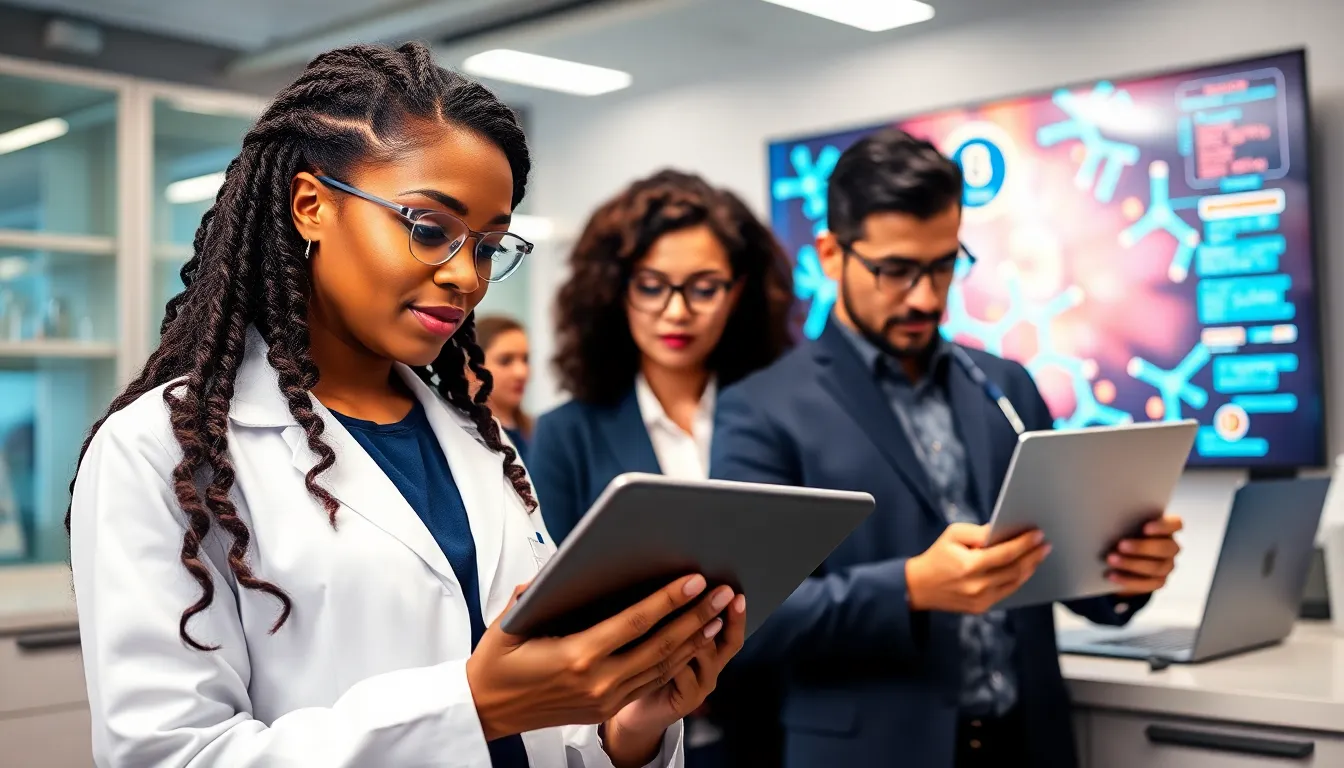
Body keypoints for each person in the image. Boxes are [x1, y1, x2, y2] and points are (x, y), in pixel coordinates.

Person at [66, 42, 747, 768]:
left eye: (488, 246)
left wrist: (627, 727)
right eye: (429, 228)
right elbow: (167, 755)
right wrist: (474, 710)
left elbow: (548, 731)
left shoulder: (481, 445)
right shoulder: (164, 449)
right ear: (310, 205)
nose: (466, 277)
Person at [709, 128, 1183, 768]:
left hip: (1027, 743)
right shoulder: (763, 407)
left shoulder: (1005, 386)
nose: (926, 297)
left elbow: (1067, 571)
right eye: (896, 271)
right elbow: (749, 619)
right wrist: (908, 587)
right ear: (830, 254)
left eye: (942, 265)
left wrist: (1129, 569)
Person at [528, 170, 793, 767]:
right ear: (615, 289)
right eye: (652, 286)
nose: (677, 311)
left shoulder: (781, 415)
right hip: (622, 735)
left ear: (738, 290)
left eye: (704, 288)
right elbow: (555, 601)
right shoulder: (567, 433)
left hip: (771, 725)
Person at [476, 314, 533, 462]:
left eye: (525, 359)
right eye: (505, 361)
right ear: (475, 367)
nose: (521, 372)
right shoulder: (468, 435)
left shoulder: (537, 432)